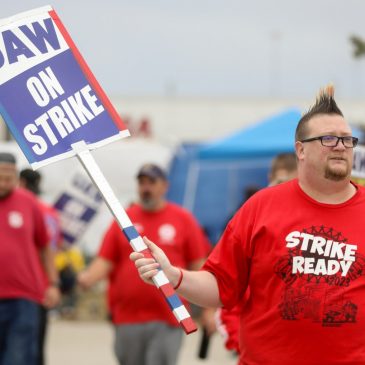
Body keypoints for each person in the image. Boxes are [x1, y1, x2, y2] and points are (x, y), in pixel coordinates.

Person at [131, 85, 365, 364]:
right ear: (300, 150)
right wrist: (174, 276)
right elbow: (220, 286)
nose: (340, 146)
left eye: (347, 139)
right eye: (328, 139)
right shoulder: (262, 206)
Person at [78, 163, 211, 365]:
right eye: (141, 182)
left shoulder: (183, 219)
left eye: (151, 182)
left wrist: (210, 308)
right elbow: (105, 260)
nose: (146, 187)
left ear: (164, 186)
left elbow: (199, 264)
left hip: (169, 314)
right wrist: (86, 278)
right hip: (127, 317)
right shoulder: (124, 220)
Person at [216, 152, 297, 355]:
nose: (284, 188)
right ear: (270, 178)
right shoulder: (251, 217)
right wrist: (239, 343)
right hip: (257, 350)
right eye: (280, 181)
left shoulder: (308, 225)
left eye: (291, 182)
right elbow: (226, 284)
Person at [0, 153, 60, 365]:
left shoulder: (28, 202)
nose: (3, 183)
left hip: (24, 298)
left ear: (16, 177)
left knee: (18, 358)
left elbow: (46, 245)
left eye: (8, 178)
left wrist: (52, 283)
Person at [19, 168, 63, 365]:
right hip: (43, 287)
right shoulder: (50, 212)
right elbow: (55, 248)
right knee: (36, 347)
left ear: (20, 183)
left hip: (21, 287)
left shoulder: (21, 208)